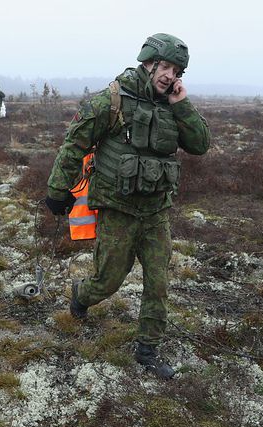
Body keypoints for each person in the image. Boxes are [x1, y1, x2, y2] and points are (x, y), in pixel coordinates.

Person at [45, 33, 211, 379]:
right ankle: (82, 295)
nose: (170, 75)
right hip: (117, 207)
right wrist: (58, 189)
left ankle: (147, 350)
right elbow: (74, 144)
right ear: (148, 62)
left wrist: (182, 104)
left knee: (158, 281)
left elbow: (200, 145)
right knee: (109, 280)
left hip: (156, 211)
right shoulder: (112, 100)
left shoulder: (173, 104)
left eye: (177, 70)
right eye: (165, 66)